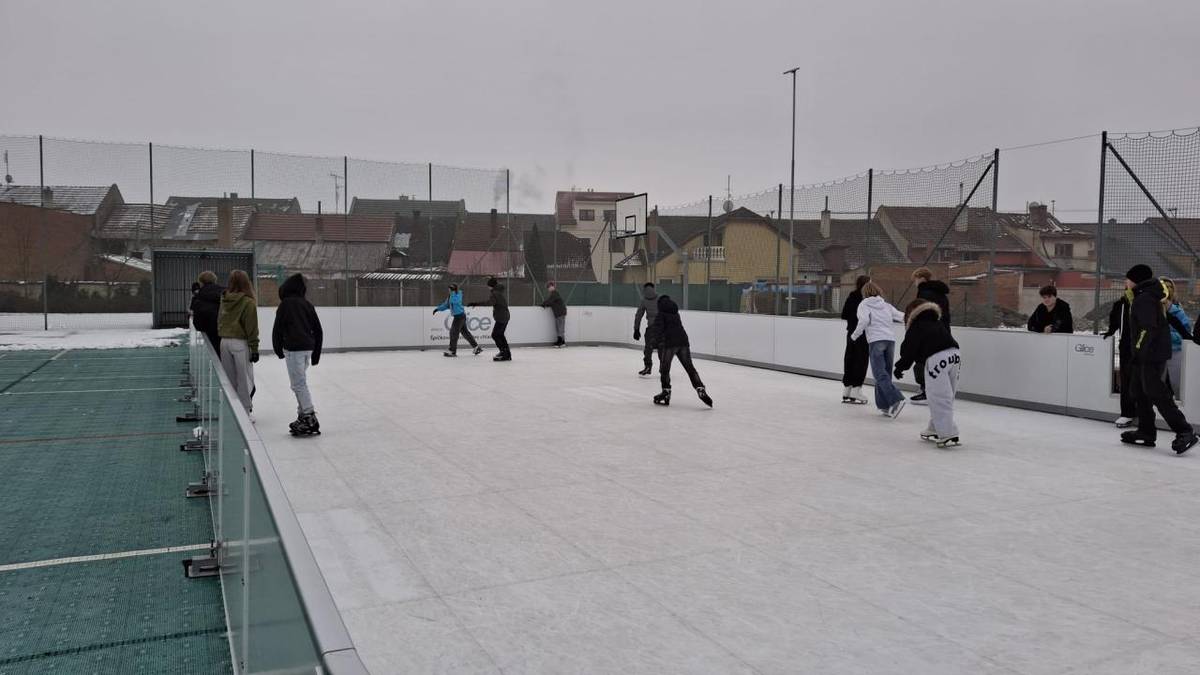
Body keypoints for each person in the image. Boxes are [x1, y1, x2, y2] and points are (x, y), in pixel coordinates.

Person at [1120, 264, 1198, 454]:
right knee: (1138, 391)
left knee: (1157, 393)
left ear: (1135, 280)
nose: (1126, 282)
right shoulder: (1143, 296)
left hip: (1151, 354)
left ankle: (1185, 431)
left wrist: (1139, 350)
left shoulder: (1144, 299)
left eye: (1128, 278)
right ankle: (1146, 431)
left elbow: (1148, 328)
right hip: (1146, 353)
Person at [894, 299, 962, 447]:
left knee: (938, 396)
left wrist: (900, 367)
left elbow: (908, 350)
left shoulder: (917, 325)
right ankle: (935, 427)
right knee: (947, 395)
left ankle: (948, 432)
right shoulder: (936, 321)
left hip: (937, 358)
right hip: (955, 355)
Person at [272, 273, 323, 436]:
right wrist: (316, 354)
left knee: (298, 384)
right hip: (308, 348)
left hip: (294, 349)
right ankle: (303, 415)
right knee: (300, 381)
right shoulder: (307, 304)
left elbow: (277, 328)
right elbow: (318, 330)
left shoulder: (285, 305)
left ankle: (309, 416)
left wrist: (278, 348)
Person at [849, 280, 907, 418]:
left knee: (879, 374)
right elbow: (902, 317)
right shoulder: (886, 305)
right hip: (890, 341)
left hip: (876, 340)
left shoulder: (864, 304)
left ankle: (896, 398)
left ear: (865, 293)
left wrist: (854, 336)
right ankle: (885, 406)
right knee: (885, 374)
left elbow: (863, 321)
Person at [650, 294, 712, 407]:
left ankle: (666, 392)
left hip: (670, 344)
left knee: (664, 369)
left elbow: (657, 330)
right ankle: (700, 388)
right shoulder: (676, 313)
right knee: (690, 368)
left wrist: (653, 343)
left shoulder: (661, 314)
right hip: (683, 342)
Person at [218, 269, 259, 417]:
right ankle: (245, 411)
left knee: (229, 379)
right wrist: (254, 348)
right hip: (240, 343)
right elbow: (251, 327)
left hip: (224, 342)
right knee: (244, 379)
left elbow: (219, 320)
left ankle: (232, 410)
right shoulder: (248, 302)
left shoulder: (224, 299)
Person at [910, 267, 951, 405]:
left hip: (928, 333)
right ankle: (936, 392)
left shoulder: (924, 293)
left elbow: (922, 314)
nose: (915, 282)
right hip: (943, 332)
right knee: (936, 362)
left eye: (915, 279)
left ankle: (927, 392)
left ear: (921, 278)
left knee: (922, 361)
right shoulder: (941, 293)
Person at [1103, 288, 1136, 428]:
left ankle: (1145, 414)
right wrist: (1111, 330)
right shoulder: (1121, 304)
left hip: (1143, 349)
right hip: (1126, 348)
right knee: (1126, 380)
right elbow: (1115, 319)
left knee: (1143, 382)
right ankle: (1127, 413)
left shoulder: (1145, 302)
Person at [840, 275, 870, 404]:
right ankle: (856, 388)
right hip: (863, 334)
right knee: (861, 360)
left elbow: (844, 314)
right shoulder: (867, 300)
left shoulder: (852, 296)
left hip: (851, 333)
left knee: (850, 358)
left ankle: (847, 388)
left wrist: (852, 320)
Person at [1161, 278, 1192, 396]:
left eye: (1170, 287)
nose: (1167, 289)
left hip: (1175, 352)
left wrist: (1166, 335)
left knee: (1177, 385)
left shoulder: (1178, 312)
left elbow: (1185, 335)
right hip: (1158, 353)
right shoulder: (1152, 310)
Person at [433, 283, 482, 358]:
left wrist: (453, 293)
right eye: (449, 289)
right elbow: (446, 305)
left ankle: (452, 351)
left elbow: (455, 301)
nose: (449, 290)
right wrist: (437, 309)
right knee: (465, 333)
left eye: (450, 289)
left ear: (454, 289)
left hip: (459, 316)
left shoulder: (458, 294)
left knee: (453, 333)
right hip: (459, 316)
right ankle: (476, 347)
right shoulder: (450, 296)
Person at [470, 277, 512, 362]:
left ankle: (503, 352)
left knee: (495, 335)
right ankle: (507, 353)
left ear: (491, 286)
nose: (488, 287)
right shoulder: (498, 292)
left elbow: (489, 303)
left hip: (501, 317)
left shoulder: (495, 293)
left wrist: (476, 304)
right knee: (500, 335)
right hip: (505, 316)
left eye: (488, 286)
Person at [190, 270, 224, 354]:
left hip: (211, 337)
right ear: (215, 281)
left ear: (201, 283)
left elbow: (198, 325)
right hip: (228, 337)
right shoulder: (225, 293)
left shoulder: (198, 298)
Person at [633, 282, 659, 376]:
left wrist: (636, 330)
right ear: (653, 289)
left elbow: (638, 316)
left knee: (648, 348)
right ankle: (664, 368)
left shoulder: (644, 301)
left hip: (651, 328)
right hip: (662, 328)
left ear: (644, 290)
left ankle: (648, 367)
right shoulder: (660, 299)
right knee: (662, 348)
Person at [541, 282, 568, 347]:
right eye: (548, 287)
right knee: (559, 327)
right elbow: (551, 303)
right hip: (559, 313)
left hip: (560, 312)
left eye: (550, 287)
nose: (549, 288)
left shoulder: (554, 293)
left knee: (560, 327)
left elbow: (550, 301)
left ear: (553, 286)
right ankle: (562, 342)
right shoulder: (554, 294)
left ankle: (560, 342)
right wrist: (545, 305)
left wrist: (543, 304)